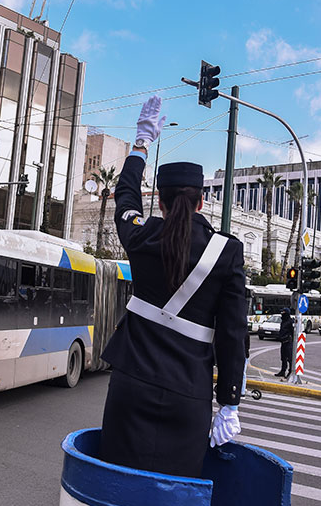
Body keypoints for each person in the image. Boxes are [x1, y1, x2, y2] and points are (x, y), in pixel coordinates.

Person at [99, 95, 247, 478]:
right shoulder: (226, 252)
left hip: (131, 384)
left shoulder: (143, 236)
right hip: (189, 393)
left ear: (160, 203)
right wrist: (229, 402)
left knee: (118, 484)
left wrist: (141, 144)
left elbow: (125, 197)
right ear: (201, 203)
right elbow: (232, 335)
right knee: (176, 492)